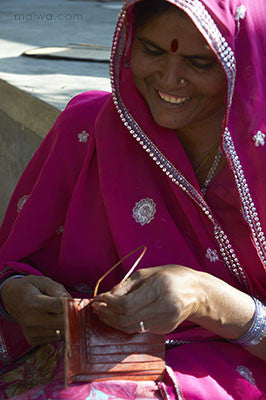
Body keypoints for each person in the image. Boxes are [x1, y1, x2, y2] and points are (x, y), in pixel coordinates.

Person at [0, 0, 265, 398]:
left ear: (243, 63)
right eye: (152, 51)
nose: (170, 78)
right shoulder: (88, 131)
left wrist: (205, 298)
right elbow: (13, 264)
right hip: (77, 360)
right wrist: (15, 294)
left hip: (231, 373)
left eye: (199, 62)